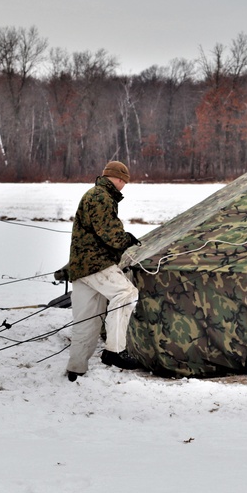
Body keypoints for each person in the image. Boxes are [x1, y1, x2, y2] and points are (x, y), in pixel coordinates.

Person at [63, 160, 143, 382]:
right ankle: (114, 351)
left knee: (87, 322)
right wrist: (127, 239)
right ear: (119, 179)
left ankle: (76, 369)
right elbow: (111, 235)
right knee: (126, 293)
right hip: (96, 265)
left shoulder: (94, 194)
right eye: (124, 181)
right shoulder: (101, 197)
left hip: (81, 270)